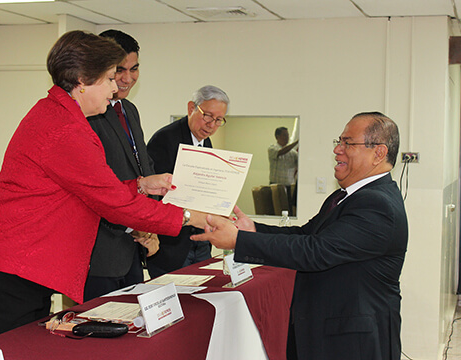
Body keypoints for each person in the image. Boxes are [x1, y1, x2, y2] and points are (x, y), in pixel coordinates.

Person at [0, 30, 205, 335]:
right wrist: (191, 216)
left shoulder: (63, 116)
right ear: (83, 82)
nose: (115, 89)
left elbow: (86, 192)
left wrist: (139, 185)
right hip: (6, 273)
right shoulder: (64, 130)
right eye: (110, 79)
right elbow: (115, 204)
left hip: (23, 270)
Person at [192, 112, 408, 360]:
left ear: (378, 153)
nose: (337, 150)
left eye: (348, 143)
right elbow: (305, 235)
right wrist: (252, 230)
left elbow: (315, 252)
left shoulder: (377, 205)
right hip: (328, 332)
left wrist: (239, 241)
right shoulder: (346, 197)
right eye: (339, 141)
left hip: (351, 341)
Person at [84, 30, 157, 302]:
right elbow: (96, 188)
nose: (128, 78)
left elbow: (142, 170)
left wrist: (149, 223)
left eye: (134, 69)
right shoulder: (91, 114)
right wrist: (135, 225)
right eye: (120, 70)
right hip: (100, 253)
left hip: (133, 251)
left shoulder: (130, 110)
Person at [146, 85, 229, 278]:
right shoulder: (165, 139)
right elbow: (154, 196)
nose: (211, 125)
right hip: (172, 244)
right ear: (191, 108)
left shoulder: (205, 142)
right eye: (208, 116)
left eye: (218, 120)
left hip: (198, 238)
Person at [268, 126, 298, 215]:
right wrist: (296, 142)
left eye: (288, 135)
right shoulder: (272, 148)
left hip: (289, 186)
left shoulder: (293, 153)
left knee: (288, 211)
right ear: (277, 137)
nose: (287, 137)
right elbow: (281, 152)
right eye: (284, 135)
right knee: (275, 211)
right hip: (275, 186)